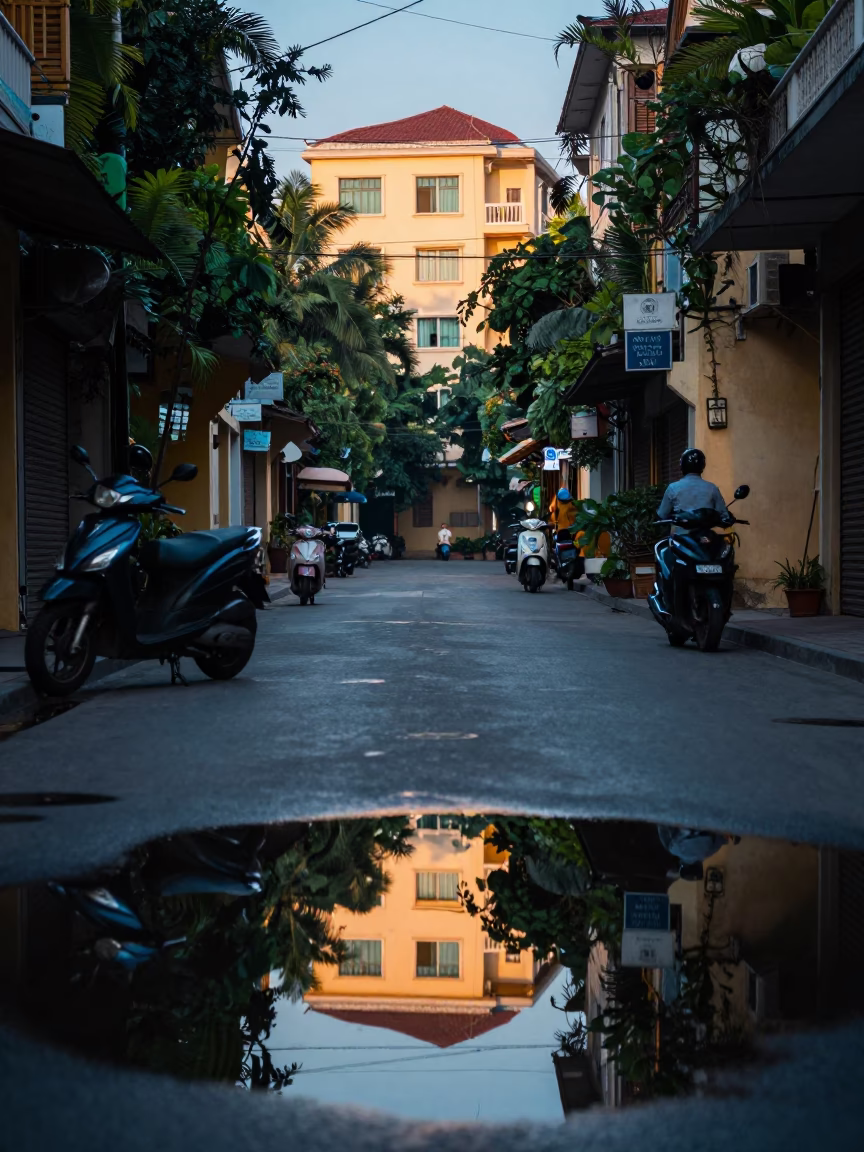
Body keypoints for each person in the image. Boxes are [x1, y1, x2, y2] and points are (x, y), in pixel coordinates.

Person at [657, 449, 729, 529]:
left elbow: (662, 514)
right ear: (703, 465)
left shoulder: (672, 488)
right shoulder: (712, 488)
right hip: (705, 536)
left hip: (680, 536)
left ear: (682, 465)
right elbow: (723, 515)